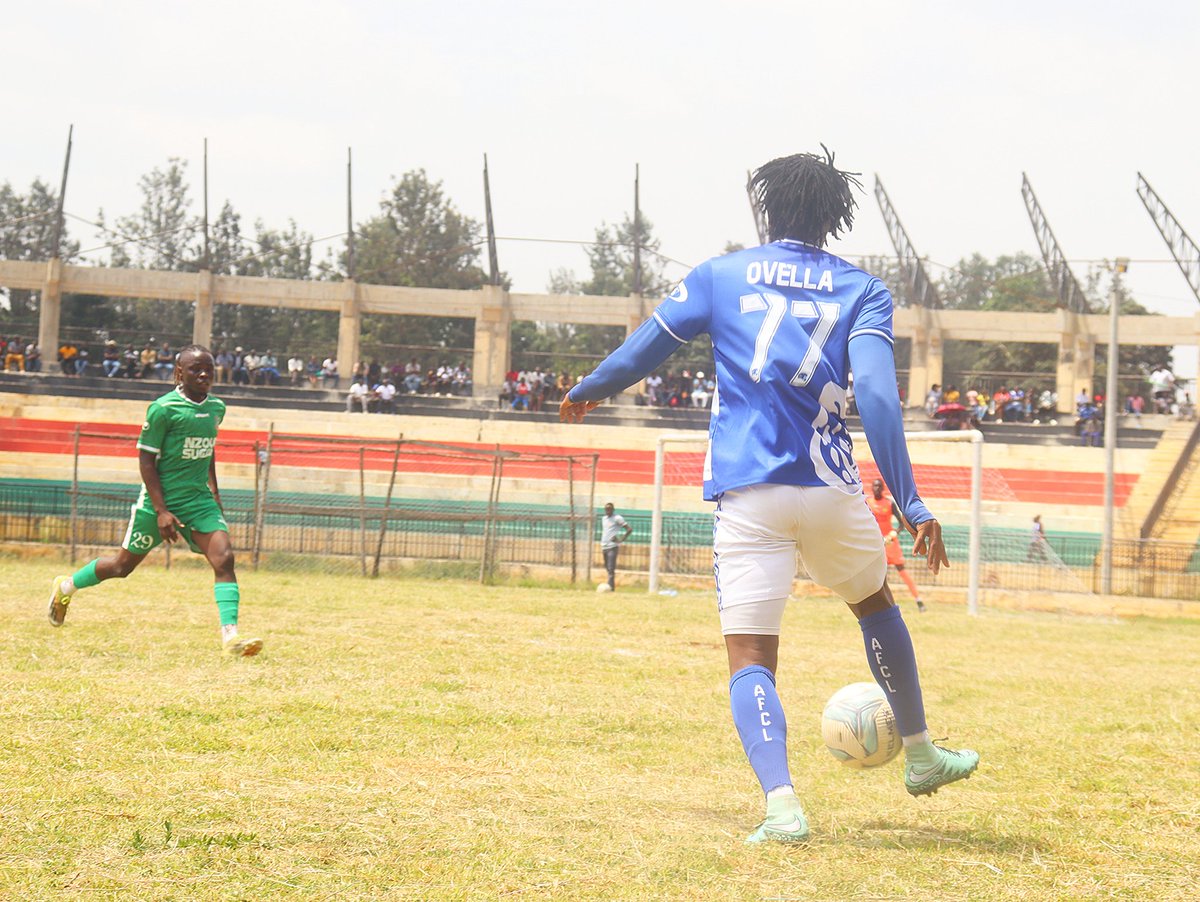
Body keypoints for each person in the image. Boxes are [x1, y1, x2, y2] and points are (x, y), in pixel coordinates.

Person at [559, 149, 977, 844]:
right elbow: (874, 393)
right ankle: (924, 755)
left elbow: (644, 352)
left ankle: (783, 809)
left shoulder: (720, 275)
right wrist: (910, 500)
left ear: (766, 209)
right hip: (832, 489)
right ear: (832, 217)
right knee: (875, 608)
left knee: (751, 656)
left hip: (749, 492)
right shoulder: (862, 290)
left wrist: (587, 389)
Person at [46, 345, 263, 657]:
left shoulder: (217, 407)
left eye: (209, 369)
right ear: (178, 373)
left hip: (199, 500)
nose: (203, 374)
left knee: (224, 558)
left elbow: (207, 448)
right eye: (194, 369)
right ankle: (66, 587)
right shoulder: (162, 409)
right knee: (121, 568)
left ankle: (231, 637)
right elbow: (146, 461)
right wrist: (162, 511)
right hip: (158, 503)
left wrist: (214, 491)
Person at [866, 478, 925, 613]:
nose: (876, 489)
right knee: (877, 574)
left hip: (890, 543)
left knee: (901, 570)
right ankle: (880, 604)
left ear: (882, 489)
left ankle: (918, 600)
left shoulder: (889, 503)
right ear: (871, 488)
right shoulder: (868, 502)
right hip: (875, 543)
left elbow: (902, 523)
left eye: (879, 486)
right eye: (874, 486)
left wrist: (894, 534)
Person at [599, 502, 633, 591]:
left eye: (610, 509)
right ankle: (610, 586)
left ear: (613, 509)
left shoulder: (617, 518)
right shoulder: (604, 519)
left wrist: (621, 539)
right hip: (604, 546)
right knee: (607, 567)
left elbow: (629, 529)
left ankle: (611, 588)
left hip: (612, 546)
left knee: (611, 568)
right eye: (606, 509)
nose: (608, 510)